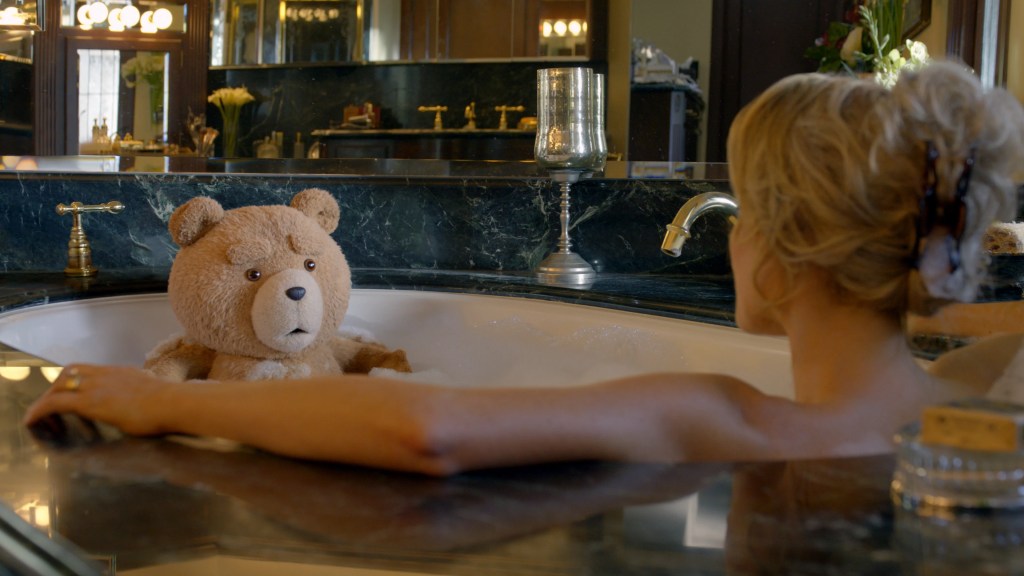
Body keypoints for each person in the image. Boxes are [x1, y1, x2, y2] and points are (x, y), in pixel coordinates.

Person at [24, 61, 1024, 476]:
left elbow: (427, 424)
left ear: (785, 248)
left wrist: (165, 406)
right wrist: (977, 322)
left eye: (746, 211)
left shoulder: (740, 414)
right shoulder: (964, 408)